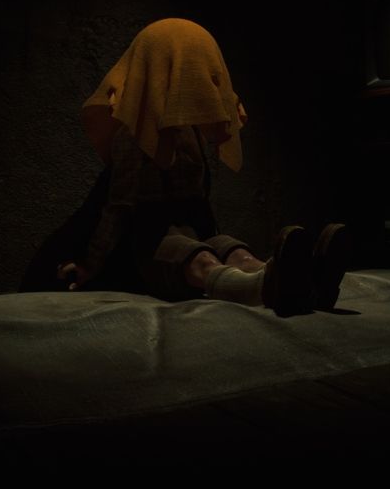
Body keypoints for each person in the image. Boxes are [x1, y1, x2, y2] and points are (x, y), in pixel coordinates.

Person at [57, 17, 349, 316]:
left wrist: (219, 241)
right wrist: (90, 263)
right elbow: (118, 207)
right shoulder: (135, 133)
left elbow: (198, 202)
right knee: (199, 260)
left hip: (193, 231)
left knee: (236, 252)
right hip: (150, 244)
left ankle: (299, 279)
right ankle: (264, 287)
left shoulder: (190, 131)